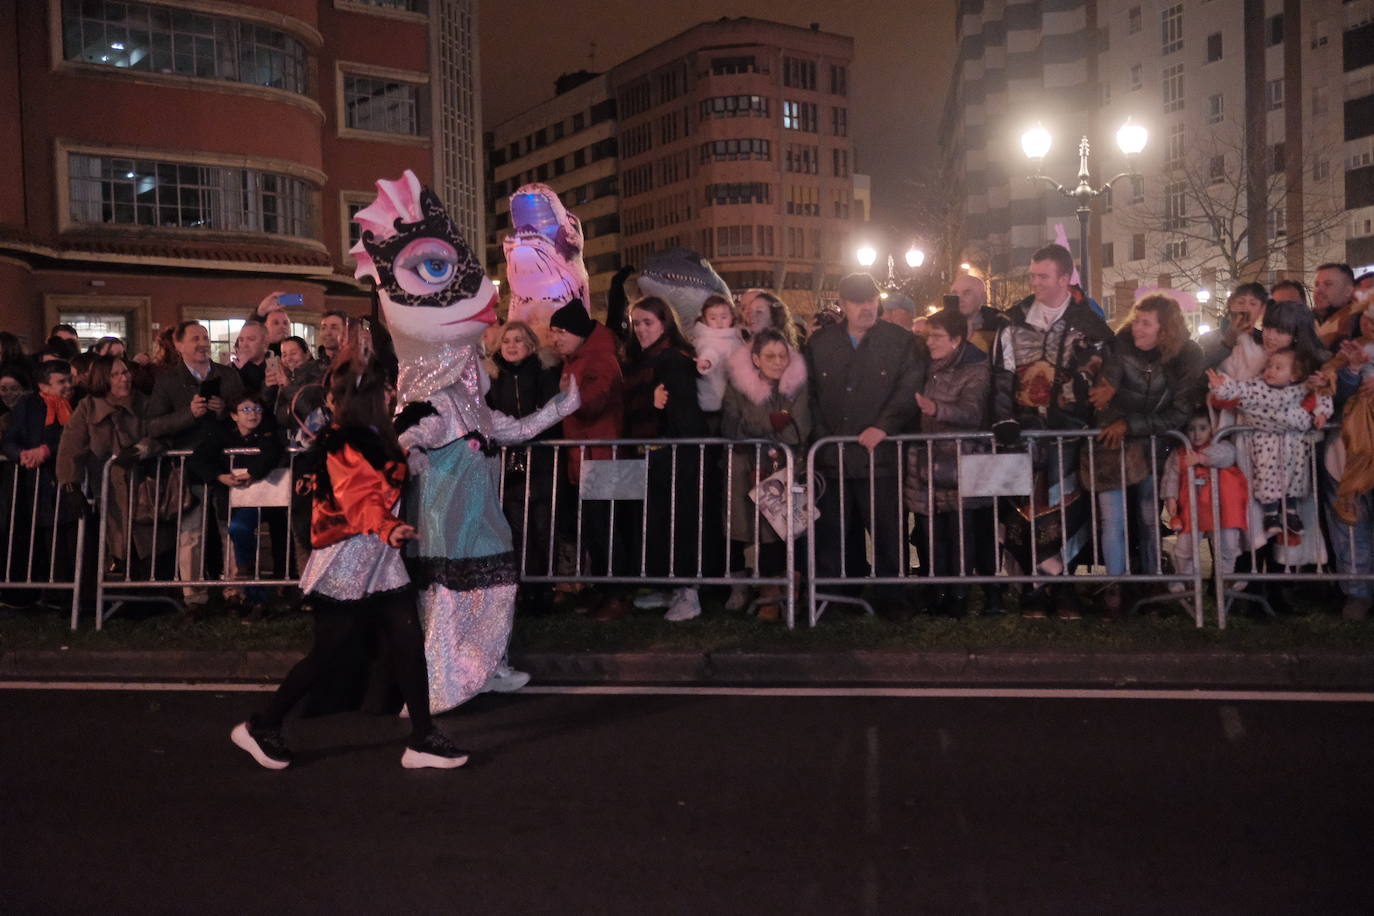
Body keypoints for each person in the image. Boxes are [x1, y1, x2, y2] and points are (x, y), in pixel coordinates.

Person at [230, 355, 467, 771]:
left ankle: (422, 737)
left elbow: (383, 479)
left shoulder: (375, 435)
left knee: (409, 643)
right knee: (328, 654)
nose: (391, 393)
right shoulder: (344, 444)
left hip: (379, 557)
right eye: (384, 389)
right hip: (347, 559)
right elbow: (360, 501)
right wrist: (389, 527)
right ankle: (262, 727)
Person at [990, 243, 1113, 619]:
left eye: (1043, 276)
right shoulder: (1012, 323)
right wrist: (1004, 419)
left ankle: (1064, 587)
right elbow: (1000, 377)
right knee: (1021, 511)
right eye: (1032, 275)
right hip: (1022, 433)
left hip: (1070, 433)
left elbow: (1104, 377)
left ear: (1064, 278)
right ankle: (1032, 589)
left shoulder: (1088, 325)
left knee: (1066, 510)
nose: (1035, 282)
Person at [806, 272, 923, 615]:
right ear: (842, 305)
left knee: (888, 531)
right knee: (835, 533)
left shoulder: (899, 342)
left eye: (872, 300)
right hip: (834, 454)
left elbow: (908, 387)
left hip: (880, 456)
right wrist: (823, 437)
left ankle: (893, 598)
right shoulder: (821, 344)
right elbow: (809, 394)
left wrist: (883, 426)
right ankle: (838, 596)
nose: (868, 308)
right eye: (859, 302)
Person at [1086, 295, 1203, 614]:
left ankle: (1152, 583)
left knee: (1149, 517)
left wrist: (1131, 423)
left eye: (1146, 322)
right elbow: (1105, 389)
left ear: (1165, 329)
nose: (1137, 327)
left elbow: (1179, 411)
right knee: (1114, 519)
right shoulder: (1119, 346)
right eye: (1136, 319)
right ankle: (1116, 588)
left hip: (1152, 446)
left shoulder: (1187, 355)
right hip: (1113, 445)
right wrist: (1106, 399)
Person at [145, 320, 246, 610]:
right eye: (195, 338)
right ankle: (194, 596)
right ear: (178, 345)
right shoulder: (168, 380)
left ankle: (234, 591)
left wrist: (224, 410)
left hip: (225, 462)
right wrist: (188, 414)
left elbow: (248, 412)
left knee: (230, 528)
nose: (203, 343)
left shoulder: (227, 376)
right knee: (191, 533)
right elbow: (153, 424)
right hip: (187, 466)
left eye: (205, 337)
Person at [622, 296, 711, 621]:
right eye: (637, 323)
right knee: (657, 523)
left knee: (679, 522)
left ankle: (687, 591)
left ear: (664, 323)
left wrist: (681, 449)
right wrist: (647, 401)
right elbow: (631, 402)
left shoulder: (672, 359)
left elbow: (682, 411)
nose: (642, 329)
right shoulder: (641, 359)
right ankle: (668, 585)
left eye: (648, 323)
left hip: (674, 452)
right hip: (652, 451)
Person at [903, 308, 995, 617]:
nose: (930, 342)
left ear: (957, 339)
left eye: (937, 337)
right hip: (927, 459)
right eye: (928, 335)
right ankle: (936, 591)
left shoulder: (976, 368)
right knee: (931, 532)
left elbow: (972, 412)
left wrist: (936, 409)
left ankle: (959, 595)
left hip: (959, 461)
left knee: (959, 532)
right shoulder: (925, 364)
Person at [721, 327, 810, 621]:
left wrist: (757, 425)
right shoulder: (738, 386)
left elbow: (799, 428)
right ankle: (763, 591)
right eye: (770, 356)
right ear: (756, 359)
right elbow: (731, 426)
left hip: (786, 468)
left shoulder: (797, 385)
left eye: (782, 355)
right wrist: (771, 423)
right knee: (753, 532)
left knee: (786, 532)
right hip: (747, 468)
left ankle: (785, 591)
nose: (777, 362)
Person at [1208, 350, 1332, 540]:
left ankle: (1291, 512)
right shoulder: (1257, 387)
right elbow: (1238, 389)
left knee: (1296, 477)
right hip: (1266, 445)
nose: (1270, 371)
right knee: (1266, 477)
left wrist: (1322, 413)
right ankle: (1271, 514)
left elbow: (1321, 396)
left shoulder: (1302, 388)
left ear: (1294, 374)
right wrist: (1222, 385)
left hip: (1294, 447)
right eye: (1269, 366)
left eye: (1278, 368)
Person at [56, 356, 162, 577]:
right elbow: (70, 447)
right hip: (106, 489)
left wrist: (140, 450)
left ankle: (149, 589)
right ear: (103, 379)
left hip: (144, 485)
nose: (124, 378)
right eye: (115, 374)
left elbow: (159, 433)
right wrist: (70, 485)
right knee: (115, 537)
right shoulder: (87, 407)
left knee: (147, 539)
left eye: (125, 372)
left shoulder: (144, 403)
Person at [485, 320, 562, 611]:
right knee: (515, 525)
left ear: (529, 344)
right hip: (509, 459)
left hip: (541, 458)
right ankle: (522, 586)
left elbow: (550, 409)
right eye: (507, 341)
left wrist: (528, 431)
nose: (512, 346)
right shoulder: (493, 376)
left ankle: (545, 587)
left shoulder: (543, 372)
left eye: (518, 340)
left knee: (543, 523)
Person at [188, 394, 284, 621]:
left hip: (262, 498)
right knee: (236, 534)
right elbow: (198, 459)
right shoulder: (222, 436)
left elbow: (272, 453)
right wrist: (219, 476)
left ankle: (250, 583)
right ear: (233, 415)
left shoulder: (267, 434)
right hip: (231, 499)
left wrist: (252, 473)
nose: (253, 415)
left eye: (257, 410)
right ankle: (251, 593)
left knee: (240, 529)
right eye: (247, 410)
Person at [1, 361, 75, 589]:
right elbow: (10, 439)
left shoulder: (77, 403)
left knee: (68, 540)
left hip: (66, 480)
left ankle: (69, 593)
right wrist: (22, 455)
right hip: (38, 485)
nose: (67, 386)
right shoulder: (29, 405)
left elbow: (72, 438)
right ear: (43, 385)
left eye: (68, 380)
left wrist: (46, 450)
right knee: (44, 540)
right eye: (61, 382)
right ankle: (49, 591)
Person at [1161, 410, 1247, 590]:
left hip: (1222, 506)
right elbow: (1171, 476)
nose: (1197, 434)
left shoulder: (1221, 444)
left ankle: (1226, 577)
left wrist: (1202, 458)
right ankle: (1188, 578)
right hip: (1192, 506)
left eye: (1202, 428)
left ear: (1212, 429)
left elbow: (1226, 456)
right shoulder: (1180, 453)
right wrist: (1170, 497)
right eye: (1192, 429)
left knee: (1228, 543)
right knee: (1186, 545)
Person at [690, 295, 746, 426]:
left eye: (724, 317)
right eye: (713, 318)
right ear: (705, 319)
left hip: (730, 398)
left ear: (732, 316)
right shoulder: (709, 338)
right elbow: (710, 353)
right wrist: (706, 362)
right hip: (715, 399)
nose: (719, 322)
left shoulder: (733, 336)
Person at [948, 273, 1008, 354]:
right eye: (954, 293)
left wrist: (973, 340)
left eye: (966, 293)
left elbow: (1007, 362)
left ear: (982, 298)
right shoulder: (935, 326)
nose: (959, 299)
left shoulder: (1001, 326)